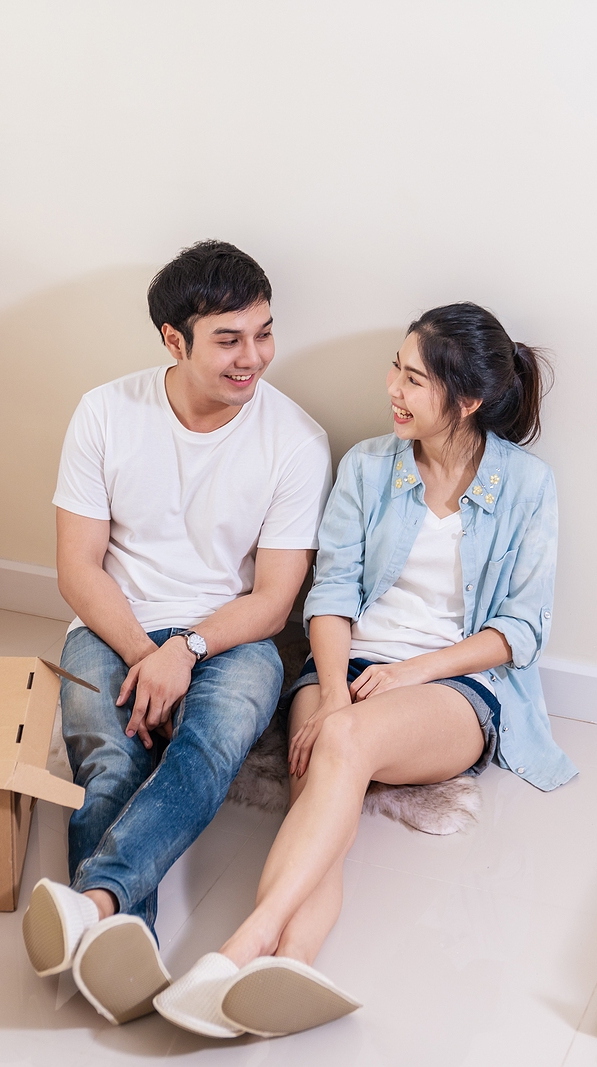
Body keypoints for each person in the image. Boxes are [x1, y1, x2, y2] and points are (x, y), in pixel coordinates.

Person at [154, 302, 578, 1040]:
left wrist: (411, 673)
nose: (392, 389)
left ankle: (239, 946)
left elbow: (520, 630)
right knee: (323, 777)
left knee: (340, 747)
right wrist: (323, 694)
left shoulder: (525, 485)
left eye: (413, 379)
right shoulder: (366, 466)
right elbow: (331, 595)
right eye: (396, 367)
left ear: (466, 400)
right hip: (343, 665)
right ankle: (288, 966)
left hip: (449, 687)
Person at [21, 240, 332, 1025]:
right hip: (113, 622)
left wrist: (185, 650)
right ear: (172, 340)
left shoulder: (293, 439)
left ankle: (94, 901)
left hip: (232, 637)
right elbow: (78, 568)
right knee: (110, 759)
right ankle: (123, 942)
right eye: (228, 339)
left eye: (262, 332)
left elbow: (272, 598)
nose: (252, 357)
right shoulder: (104, 411)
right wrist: (142, 655)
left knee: (205, 750)